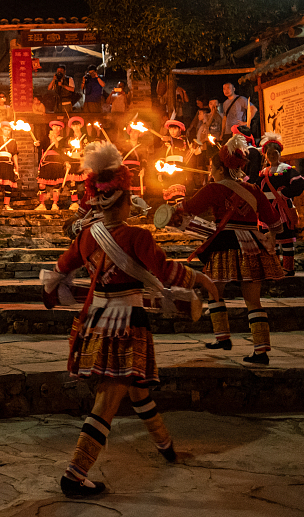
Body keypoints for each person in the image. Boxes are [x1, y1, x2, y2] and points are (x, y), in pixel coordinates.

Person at [47, 142, 214, 498]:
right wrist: (201, 280)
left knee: (136, 389)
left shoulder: (88, 236)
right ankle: (74, 474)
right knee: (108, 400)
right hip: (126, 322)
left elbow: (59, 270)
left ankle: (166, 447)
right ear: (123, 200)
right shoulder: (138, 236)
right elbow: (166, 272)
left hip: (97, 320)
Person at [180, 134, 283, 365]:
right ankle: (261, 350)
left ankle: (223, 337)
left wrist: (174, 205)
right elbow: (275, 222)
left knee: (214, 291)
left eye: (211, 166)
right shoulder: (253, 190)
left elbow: (189, 207)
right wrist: (270, 239)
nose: (210, 169)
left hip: (224, 244)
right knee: (253, 301)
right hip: (252, 246)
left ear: (218, 168)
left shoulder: (214, 188)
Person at [257, 133, 304, 277]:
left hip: (282, 210)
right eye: (269, 153)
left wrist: (284, 194)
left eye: (275, 152)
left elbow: (300, 183)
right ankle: (275, 268)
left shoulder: (287, 170)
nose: (272, 155)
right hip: (268, 210)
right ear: (265, 155)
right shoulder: (263, 173)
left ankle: (288, 269)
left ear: (279, 153)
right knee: (271, 240)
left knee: (285, 240)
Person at [34, 120, 67, 211]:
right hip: (46, 162)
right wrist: (38, 144)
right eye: (54, 127)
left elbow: (59, 148)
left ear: (60, 128)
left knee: (56, 185)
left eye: (57, 127)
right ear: (51, 128)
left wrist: (54, 139)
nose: (55, 128)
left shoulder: (63, 139)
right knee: (41, 184)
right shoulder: (45, 138)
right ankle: (42, 204)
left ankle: (55, 204)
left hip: (57, 163)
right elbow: (42, 147)